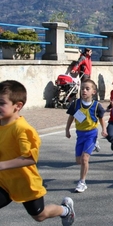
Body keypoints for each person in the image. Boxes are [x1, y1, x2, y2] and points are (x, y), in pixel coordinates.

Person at [0, 80, 75, 225]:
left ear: (18, 106)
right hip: (3, 182)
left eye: (1, 103)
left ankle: (65, 210)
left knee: (40, 215)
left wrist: (2, 165)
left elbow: (30, 158)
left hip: (25, 183)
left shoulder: (22, 129)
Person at [65, 79, 107, 193]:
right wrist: (67, 129)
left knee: (84, 159)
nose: (84, 91)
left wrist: (104, 129)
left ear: (93, 91)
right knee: (78, 160)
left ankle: (82, 182)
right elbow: (71, 117)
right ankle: (94, 145)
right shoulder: (75, 104)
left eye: (87, 89)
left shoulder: (96, 105)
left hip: (91, 133)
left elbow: (101, 118)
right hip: (80, 134)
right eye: (82, 88)